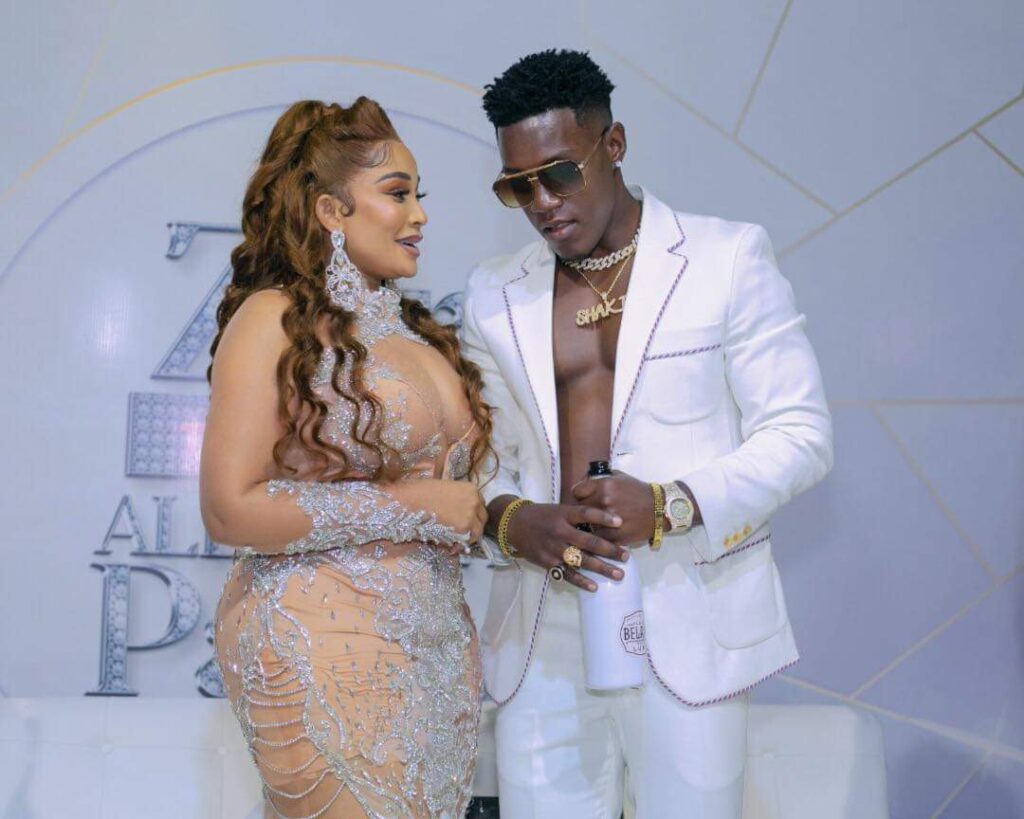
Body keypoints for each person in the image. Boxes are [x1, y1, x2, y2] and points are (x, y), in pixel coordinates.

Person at [461, 50, 834, 818]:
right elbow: (478, 458)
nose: (542, 202)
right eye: (518, 186)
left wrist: (670, 504)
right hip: (544, 627)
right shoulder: (494, 293)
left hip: (686, 615)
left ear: (615, 143)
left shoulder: (725, 258)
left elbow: (800, 433)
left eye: (560, 174)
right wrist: (510, 519)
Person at [200, 97, 493, 819]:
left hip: (436, 650)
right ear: (332, 211)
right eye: (397, 193)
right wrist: (414, 504)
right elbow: (229, 508)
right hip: (317, 636)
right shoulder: (271, 318)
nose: (419, 215)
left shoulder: (419, 335)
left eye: (419, 195)